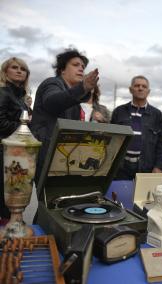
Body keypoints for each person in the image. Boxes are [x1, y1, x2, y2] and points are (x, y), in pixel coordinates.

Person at [31, 48, 99, 189]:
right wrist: (83, 88)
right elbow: (52, 102)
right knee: (44, 204)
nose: (81, 68)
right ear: (62, 70)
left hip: (63, 158)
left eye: (83, 66)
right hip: (46, 156)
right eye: (75, 65)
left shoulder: (74, 100)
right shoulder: (52, 83)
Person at [111, 75, 162, 180]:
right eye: (137, 85)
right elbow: (111, 140)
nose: (140, 88)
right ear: (131, 89)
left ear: (148, 91)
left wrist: (158, 167)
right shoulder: (119, 112)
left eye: (144, 86)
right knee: (119, 196)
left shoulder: (157, 115)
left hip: (146, 169)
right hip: (121, 169)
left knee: (141, 196)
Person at [0, 57, 32, 222]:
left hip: (17, 152)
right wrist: (24, 127)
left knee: (15, 192)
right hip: (4, 152)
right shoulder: (3, 92)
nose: (19, 71)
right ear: (5, 72)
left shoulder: (21, 98)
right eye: (14, 67)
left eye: (23, 68)